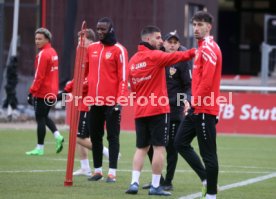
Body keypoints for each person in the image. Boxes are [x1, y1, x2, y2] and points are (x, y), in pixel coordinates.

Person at [125, 25, 195, 196]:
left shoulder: (133, 60)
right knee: (158, 148)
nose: (161, 41)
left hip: (140, 109)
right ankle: (157, 186)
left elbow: (132, 88)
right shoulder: (156, 56)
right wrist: (197, 51)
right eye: (158, 38)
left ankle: (134, 183)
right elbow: (181, 55)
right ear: (148, 39)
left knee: (141, 148)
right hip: (158, 109)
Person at [174, 11, 222, 199]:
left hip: (205, 108)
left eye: (200, 24)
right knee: (180, 142)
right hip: (197, 107)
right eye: (194, 24)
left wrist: (193, 101)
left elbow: (208, 82)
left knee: (208, 154)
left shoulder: (209, 48)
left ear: (209, 27)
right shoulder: (201, 48)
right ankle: (206, 179)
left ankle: (211, 195)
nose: (196, 28)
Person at [142, 30, 193, 191]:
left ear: (179, 45)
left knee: (171, 147)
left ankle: (168, 181)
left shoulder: (182, 61)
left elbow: (188, 86)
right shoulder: (157, 57)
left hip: (173, 110)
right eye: (169, 42)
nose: (172, 45)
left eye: (175, 42)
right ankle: (158, 179)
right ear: (163, 43)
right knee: (149, 145)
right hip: (156, 108)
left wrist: (185, 99)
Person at [57, 29, 109, 176]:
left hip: (89, 100)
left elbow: (88, 78)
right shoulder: (82, 53)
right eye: (79, 39)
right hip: (81, 99)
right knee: (82, 135)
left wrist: (71, 88)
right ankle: (85, 167)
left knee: (78, 136)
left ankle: (106, 152)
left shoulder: (94, 53)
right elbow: (79, 76)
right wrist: (68, 89)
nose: (80, 42)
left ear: (91, 41)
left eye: (83, 39)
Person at [86, 17, 128, 183]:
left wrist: (120, 101)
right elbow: (86, 74)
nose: (100, 32)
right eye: (98, 29)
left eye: (103, 29)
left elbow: (123, 78)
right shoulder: (92, 48)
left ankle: (112, 172)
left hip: (112, 102)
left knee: (113, 137)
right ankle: (97, 171)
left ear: (111, 29)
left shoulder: (119, 50)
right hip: (94, 101)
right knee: (95, 137)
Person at [26, 28, 64, 156]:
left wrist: (31, 92)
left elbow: (39, 76)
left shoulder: (43, 54)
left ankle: (40, 148)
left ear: (47, 39)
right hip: (52, 91)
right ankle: (57, 136)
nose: (37, 41)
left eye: (40, 39)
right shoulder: (53, 52)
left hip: (43, 92)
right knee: (44, 116)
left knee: (40, 118)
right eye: (36, 39)